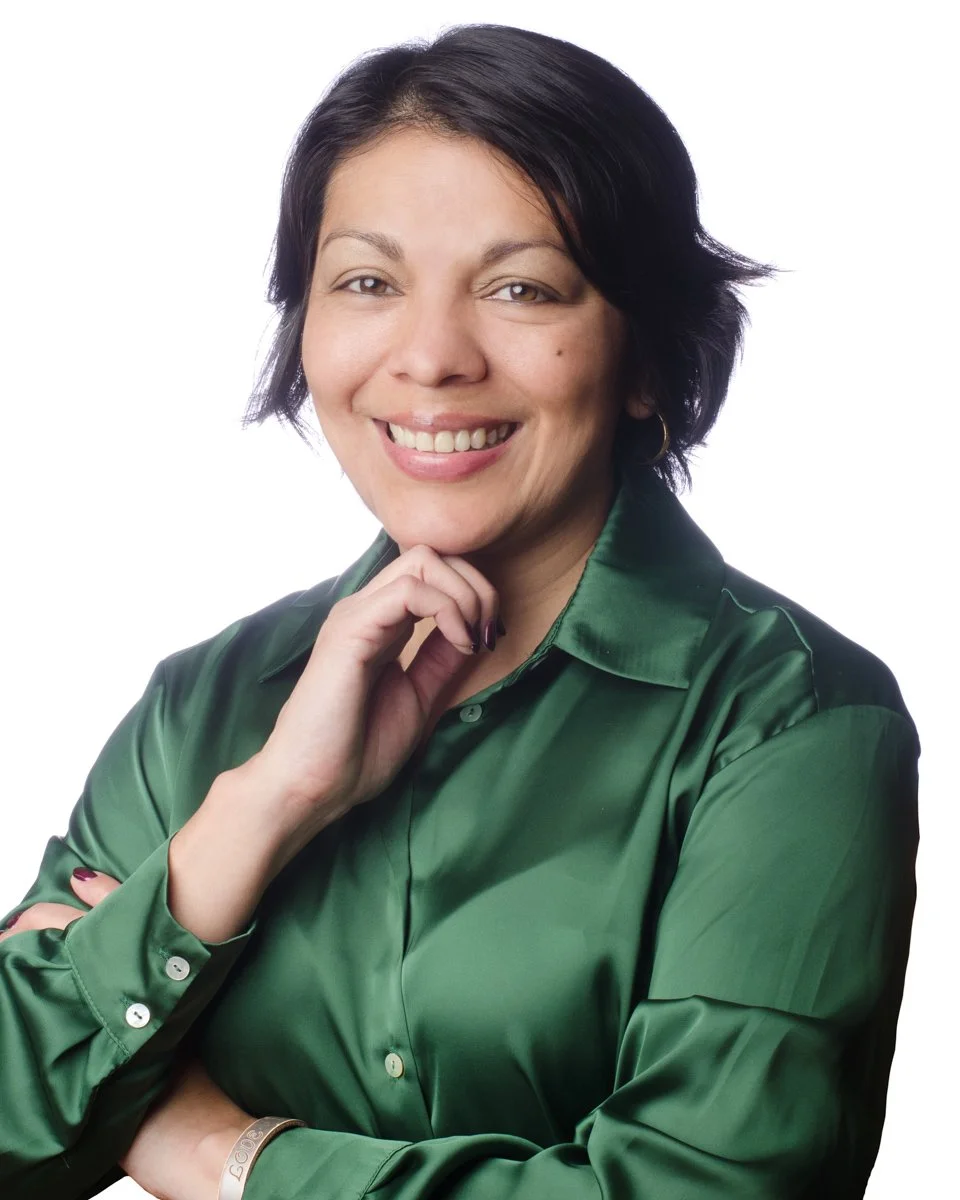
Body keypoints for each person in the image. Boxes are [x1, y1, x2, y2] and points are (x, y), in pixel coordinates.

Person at [0, 22, 919, 1200]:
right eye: (368, 283)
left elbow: (704, 1188)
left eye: (521, 288)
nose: (431, 357)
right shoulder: (206, 706)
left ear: (647, 355)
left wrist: (224, 1155)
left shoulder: (789, 722)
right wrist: (265, 805)